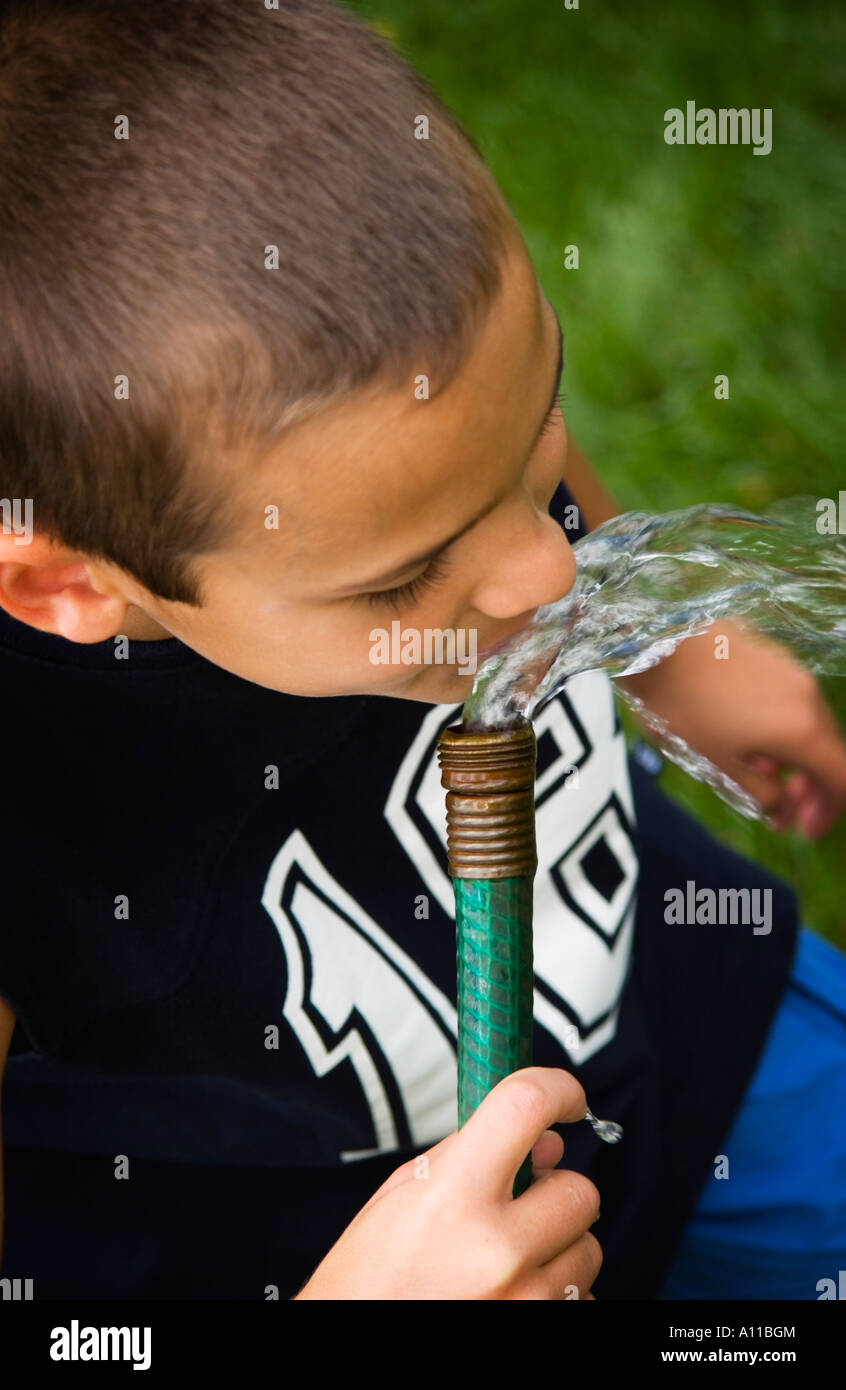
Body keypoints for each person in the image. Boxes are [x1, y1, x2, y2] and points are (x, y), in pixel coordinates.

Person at [0, 0, 844, 1301]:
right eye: (403, 573)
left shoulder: (408, 474)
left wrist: (675, 648)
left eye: (537, 428)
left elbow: (471, 463)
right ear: (63, 585)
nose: (544, 572)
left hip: (685, 1015)